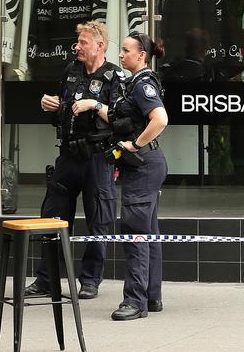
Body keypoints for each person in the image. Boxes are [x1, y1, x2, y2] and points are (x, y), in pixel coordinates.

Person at [24, 20, 123, 300]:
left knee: (99, 220)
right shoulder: (70, 70)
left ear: (100, 45)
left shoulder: (114, 77)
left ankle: (90, 280)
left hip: (97, 157)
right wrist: (50, 105)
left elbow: (121, 119)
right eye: (77, 42)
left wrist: (95, 105)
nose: (77, 47)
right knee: (52, 217)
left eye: (83, 43)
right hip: (67, 156)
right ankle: (46, 279)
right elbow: (62, 111)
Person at [106, 31, 169, 321]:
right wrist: (95, 106)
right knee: (148, 233)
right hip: (145, 165)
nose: (120, 55)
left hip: (143, 164)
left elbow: (160, 119)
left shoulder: (143, 84)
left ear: (141, 55)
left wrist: (135, 144)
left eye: (126, 50)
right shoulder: (133, 83)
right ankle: (151, 296)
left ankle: (134, 301)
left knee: (135, 234)